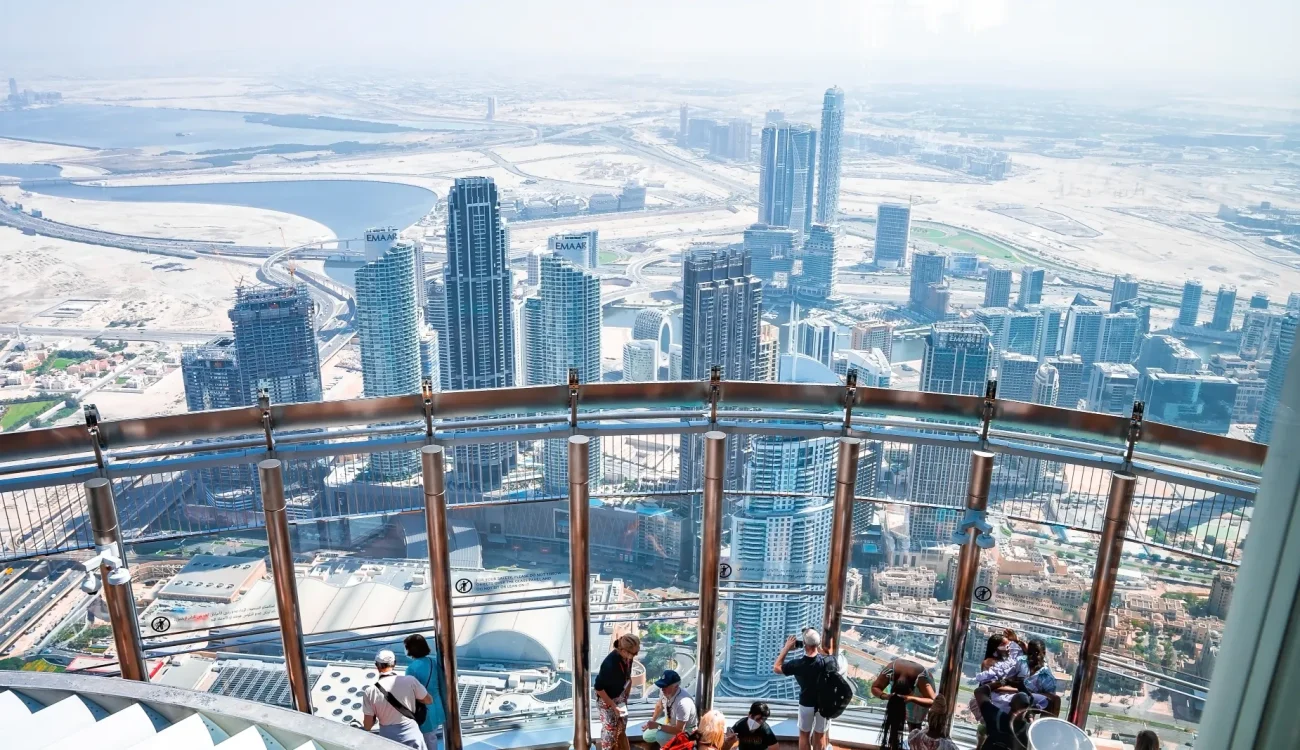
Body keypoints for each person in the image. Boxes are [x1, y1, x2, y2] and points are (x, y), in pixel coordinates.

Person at [774, 628, 836, 750]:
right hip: (824, 703)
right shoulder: (829, 661)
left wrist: (787, 648)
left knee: (804, 735)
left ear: (805, 644)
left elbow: (776, 668)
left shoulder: (798, 664)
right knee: (820, 735)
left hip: (806, 703)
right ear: (818, 644)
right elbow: (826, 656)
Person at [362, 648, 434, 749]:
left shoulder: (370, 691)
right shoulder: (410, 681)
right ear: (394, 663)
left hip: (388, 739)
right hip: (411, 735)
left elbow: (367, 725)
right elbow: (428, 700)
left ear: (377, 666)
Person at [595, 634, 640, 750]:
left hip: (620, 696)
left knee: (622, 724)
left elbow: (627, 676)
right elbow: (598, 688)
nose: (635, 655)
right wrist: (613, 705)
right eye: (634, 653)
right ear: (624, 651)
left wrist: (626, 694)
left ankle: (619, 746)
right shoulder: (609, 665)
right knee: (610, 730)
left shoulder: (627, 657)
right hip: (608, 700)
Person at [403, 634, 447, 750]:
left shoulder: (411, 669)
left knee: (426, 741)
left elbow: (410, 693)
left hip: (424, 710)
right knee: (432, 738)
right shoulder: (432, 662)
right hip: (436, 706)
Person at [870, 657, 936, 732]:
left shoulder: (921, 679)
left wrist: (912, 698)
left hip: (922, 695)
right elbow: (875, 687)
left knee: (914, 725)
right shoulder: (890, 670)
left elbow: (933, 701)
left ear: (913, 688)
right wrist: (885, 696)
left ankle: (914, 737)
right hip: (907, 690)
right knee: (896, 717)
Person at [642, 669, 697, 746]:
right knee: (647, 736)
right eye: (661, 685)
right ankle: (671, 742)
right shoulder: (665, 692)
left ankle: (674, 746)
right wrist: (652, 721)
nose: (662, 689)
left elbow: (679, 730)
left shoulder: (683, 703)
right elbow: (659, 705)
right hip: (670, 720)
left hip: (685, 729)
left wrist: (657, 726)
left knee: (660, 736)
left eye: (665, 686)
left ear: (676, 687)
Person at [972, 684, 1031, 750]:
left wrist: (1004, 682)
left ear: (1010, 704)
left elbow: (979, 691)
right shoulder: (1030, 732)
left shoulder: (996, 717)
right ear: (1027, 709)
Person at [1020, 639, 1060, 717]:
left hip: (1026, 706)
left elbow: (1050, 703)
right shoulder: (1021, 663)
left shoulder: (1047, 678)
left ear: (1044, 653)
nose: (1033, 656)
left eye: (1036, 652)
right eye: (1030, 653)